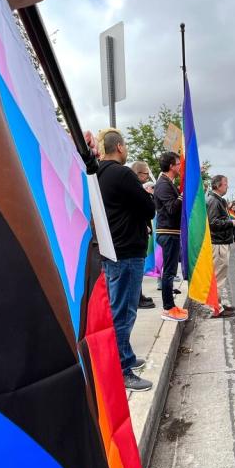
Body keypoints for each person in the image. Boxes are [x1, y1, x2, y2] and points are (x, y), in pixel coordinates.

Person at [95, 129, 156, 392]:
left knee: (118, 308)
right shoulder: (123, 173)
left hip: (112, 249)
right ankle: (122, 370)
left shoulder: (98, 173)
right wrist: (147, 193)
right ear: (119, 147)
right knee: (124, 312)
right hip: (127, 251)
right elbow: (148, 208)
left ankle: (126, 356)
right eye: (126, 145)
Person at [153, 151, 189, 322]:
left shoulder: (168, 183)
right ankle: (168, 309)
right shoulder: (163, 185)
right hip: (167, 233)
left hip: (171, 232)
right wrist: (183, 194)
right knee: (168, 273)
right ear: (170, 166)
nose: (180, 166)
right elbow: (172, 209)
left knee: (170, 272)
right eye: (177, 163)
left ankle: (171, 306)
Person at [206, 175, 235, 319]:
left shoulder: (216, 199)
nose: (227, 186)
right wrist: (230, 223)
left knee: (220, 275)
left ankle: (217, 304)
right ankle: (215, 307)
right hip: (218, 243)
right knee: (218, 276)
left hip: (220, 241)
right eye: (225, 184)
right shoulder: (214, 200)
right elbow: (213, 223)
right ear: (218, 185)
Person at [131, 161, 157, 309]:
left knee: (137, 272)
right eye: (146, 174)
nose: (148, 177)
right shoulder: (135, 190)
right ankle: (137, 298)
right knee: (135, 271)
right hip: (135, 237)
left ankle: (139, 295)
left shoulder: (136, 189)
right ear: (139, 174)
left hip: (140, 234)